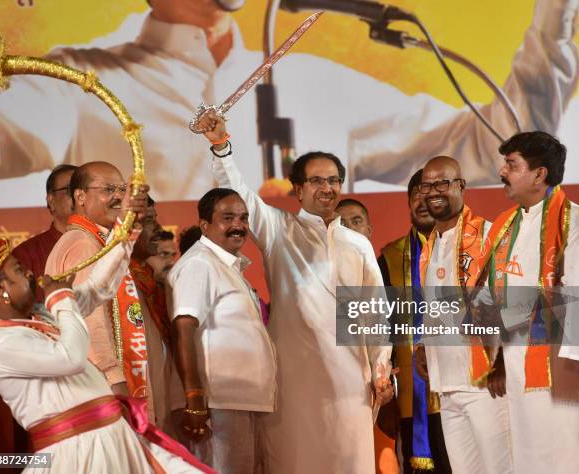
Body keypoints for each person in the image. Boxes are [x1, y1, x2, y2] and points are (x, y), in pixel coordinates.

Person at [0, 0, 579, 206]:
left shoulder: (313, 81)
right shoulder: (76, 81)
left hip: (307, 344)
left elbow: (497, 149)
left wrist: (555, 19)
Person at [194, 111, 394, 474]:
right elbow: (242, 196)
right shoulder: (279, 230)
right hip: (292, 381)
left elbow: (374, 314)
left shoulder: (356, 245)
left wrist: (381, 369)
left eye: (334, 180)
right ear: (298, 190)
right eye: (316, 181)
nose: (327, 188)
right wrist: (222, 147)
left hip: (351, 381)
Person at [0, 238, 212, 473]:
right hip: (77, 452)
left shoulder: (39, 320)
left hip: (114, 435)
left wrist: (126, 235)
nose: (29, 273)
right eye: (19, 269)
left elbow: (97, 289)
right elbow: (71, 358)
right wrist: (61, 300)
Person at [478, 131, 579, 473]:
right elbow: (488, 295)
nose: (502, 172)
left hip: (560, 368)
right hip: (514, 364)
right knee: (527, 458)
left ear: (539, 174)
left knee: (564, 457)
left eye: (511, 164)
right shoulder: (505, 225)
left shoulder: (574, 221)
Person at [414, 156, 512, 473]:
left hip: (485, 385)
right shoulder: (430, 245)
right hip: (448, 387)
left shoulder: (487, 235)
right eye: (426, 185)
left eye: (442, 183)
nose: (433, 192)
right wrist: (421, 346)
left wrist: (501, 363)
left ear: (461, 185)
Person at [168, 188, 276, 473]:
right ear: (205, 225)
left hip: (239, 400)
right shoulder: (199, 263)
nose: (238, 225)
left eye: (243, 217)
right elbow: (183, 327)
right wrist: (193, 397)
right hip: (216, 402)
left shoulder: (226, 265)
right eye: (227, 218)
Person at [45, 162, 151, 405]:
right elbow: (89, 318)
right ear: (80, 196)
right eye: (108, 189)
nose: (118, 196)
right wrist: (113, 378)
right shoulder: (83, 242)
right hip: (100, 384)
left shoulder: (95, 239)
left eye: (122, 189)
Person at [378, 170, 451, 474]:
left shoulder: (466, 249)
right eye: (416, 194)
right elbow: (376, 329)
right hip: (411, 397)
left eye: (430, 193)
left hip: (459, 389)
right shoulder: (389, 258)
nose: (422, 201)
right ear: (408, 201)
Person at [336, 197, 399, 474]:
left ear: (370, 229)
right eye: (342, 223)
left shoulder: (391, 269)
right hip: (348, 394)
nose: (349, 229)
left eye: (356, 221)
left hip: (396, 388)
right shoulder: (324, 279)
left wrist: (386, 378)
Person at [129, 197, 182, 436]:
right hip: (134, 411)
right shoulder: (118, 282)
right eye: (149, 220)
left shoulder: (150, 281)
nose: (159, 228)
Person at [12, 164, 77, 302]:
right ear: (51, 201)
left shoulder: (108, 243)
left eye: (84, 189)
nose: (79, 195)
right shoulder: (26, 254)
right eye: (70, 189)